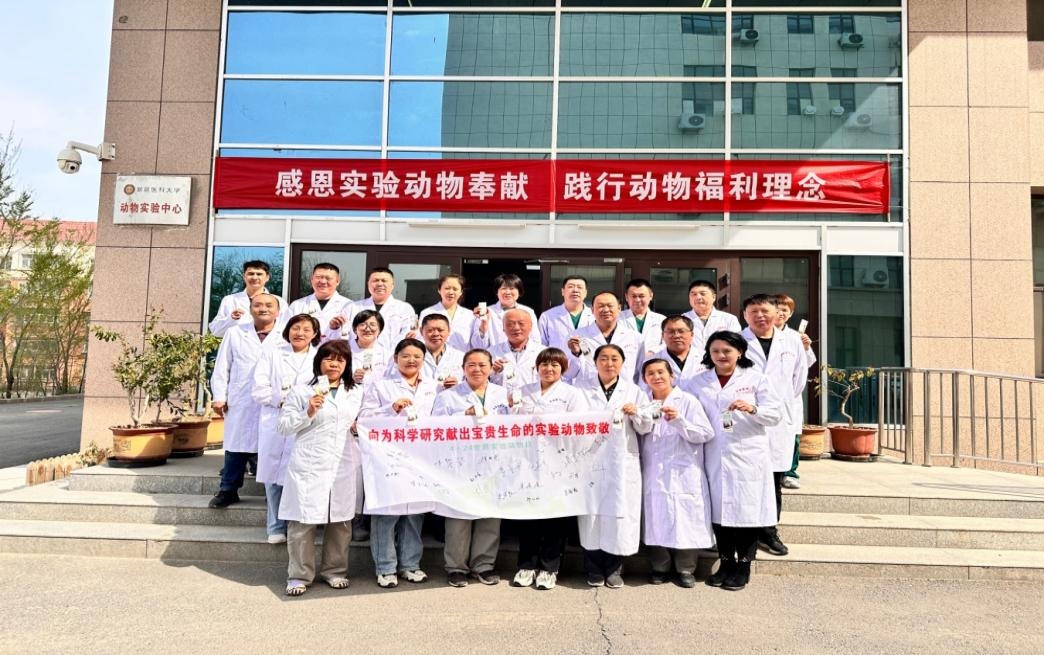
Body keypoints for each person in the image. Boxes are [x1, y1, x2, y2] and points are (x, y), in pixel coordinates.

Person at [690, 331, 783, 591]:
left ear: (739, 352)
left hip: (747, 454)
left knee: (746, 514)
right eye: (715, 351)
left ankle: (743, 566)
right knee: (719, 513)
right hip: (714, 453)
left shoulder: (755, 379)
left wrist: (753, 409)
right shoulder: (698, 382)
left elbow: (776, 414)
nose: (721, 355)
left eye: (727, 351)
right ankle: (726, 563)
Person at [277, 340, 363, 596]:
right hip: (310, 463)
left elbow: (363, 420)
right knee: (302, 521)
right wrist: (308, 411)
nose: (334, 364)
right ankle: (299, 575)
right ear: (319, 362)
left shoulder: (355, 392)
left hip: (343, 462)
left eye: (340, 360)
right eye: (329, 359)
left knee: (341, 521)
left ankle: (335, 571)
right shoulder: (302, 391)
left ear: (347, 365)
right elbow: (283, 427)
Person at [359, 338, 439, 589]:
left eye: (417, 356)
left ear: (424, 360)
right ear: (395, 359)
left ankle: (410, 565)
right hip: (388, 456)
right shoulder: (381, 386)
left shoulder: (433, 387)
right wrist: (390, 409)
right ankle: (385, 568)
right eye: (405, 356)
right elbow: (364, 417)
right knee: (387, 513)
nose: (411, 360)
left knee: (414, 513)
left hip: (421, 456)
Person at [574, 344, 653, 589]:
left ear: (622, 363)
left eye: (615, 359)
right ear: (595, 362)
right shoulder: (581, 389)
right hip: (590, 460)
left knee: (620, 513)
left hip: (622, 461)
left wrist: (636, 413)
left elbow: (646, 427)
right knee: (591, 515)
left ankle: (614, 568)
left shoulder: (634, 391)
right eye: (604, 359)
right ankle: (593, 568)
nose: (609, 364)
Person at [510, 347, 589, 591]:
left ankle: (549, 567)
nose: (549, 369)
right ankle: (526, 565)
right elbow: (510, 422)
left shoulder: (572, 394)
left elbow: (579, 427)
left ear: (563, 369)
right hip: (527, 461)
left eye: (555, 365)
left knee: (555, 517)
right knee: (529, 515)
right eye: (544, 364)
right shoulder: (523, 392)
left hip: (559, 462)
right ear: (537, 368)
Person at [431, 349, 511, 587]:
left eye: (482, 365)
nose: (477, 369)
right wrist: (461, 416)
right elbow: (435, 428)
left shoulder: (502, 394)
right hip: (460, 463)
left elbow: (512, 423)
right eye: (471, 365)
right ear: (463, 368)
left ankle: (483, 565)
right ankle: (456, 567)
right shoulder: (448, 396)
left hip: (493, 462)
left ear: (491, 368)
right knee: (459, 517)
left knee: (489, 516)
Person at [637, 358, 715, 588]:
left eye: (661, 372)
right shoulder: (644, 402)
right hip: (653, 469)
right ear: (644, 379)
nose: (656, 377)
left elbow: (705, 433)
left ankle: (686, 568)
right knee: (655, 516)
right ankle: (659, 566)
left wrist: (679, 421)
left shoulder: (688, 401)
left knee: (685, 518)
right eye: (650, 373)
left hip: (684, 470)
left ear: (672, 375)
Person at [740, 294, 808, 558]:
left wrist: (779, 405)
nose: (760, 316)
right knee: (745, 478)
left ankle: (769, 531)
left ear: (775, 313)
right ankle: (744, 531)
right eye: (754, 311)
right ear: (745, 315)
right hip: (746, 421)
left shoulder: (792, 341)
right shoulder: (736, 340)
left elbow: (798, 380)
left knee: (774, 480)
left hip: (779, 421)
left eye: (765, 311)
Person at [209, 293, 284, 509]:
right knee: (236, 445)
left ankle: (271, 494)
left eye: (269, 305)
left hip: (272, 399)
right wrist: (219, 396)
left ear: (278, 311)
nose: (263, 309)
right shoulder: (235, 333)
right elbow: (222, 366)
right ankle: (228, 489)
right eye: (258, 305)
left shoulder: (285, 335)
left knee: (271, 445)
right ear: (250, 309)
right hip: (241, 397)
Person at [251, 314, 320, 544]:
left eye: (306, 329)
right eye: (295, 328)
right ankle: (275, 526)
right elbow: (259, 389)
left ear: (314, 334)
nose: (300, 333)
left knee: (298, 473)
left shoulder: (319, 357)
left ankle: (296, 524)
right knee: (273, 473)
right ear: (287, 330)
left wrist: (303, 406)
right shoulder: (272, 355)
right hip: (275, 417)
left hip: (307, 419)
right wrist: (281, 400)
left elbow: (323, 387)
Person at [775, 294, 816, 490]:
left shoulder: (795, 337)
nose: (780, 313)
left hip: (790, 397)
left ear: (791, 314)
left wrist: (806, 348)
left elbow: (806, 365)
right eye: (777, 309)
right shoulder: (758, 334)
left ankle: (790, 473)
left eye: (785, 310)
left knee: (792, 436)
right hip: (767, 396)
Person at [565, 292, 643, 383]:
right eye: (600, 306)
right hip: (588, 390)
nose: (606, 310)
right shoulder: (576, 336)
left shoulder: (634, 337)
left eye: (610, 306)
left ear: (619, 308)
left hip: (623, 390)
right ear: (592, 310)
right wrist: (575, 354)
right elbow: (568, 374)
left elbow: (641, 372)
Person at [208, 260, 289, 337]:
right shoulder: (230, 300)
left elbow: (287, 329)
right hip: (239, 345)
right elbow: (216, 331)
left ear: (267, 277)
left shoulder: (279, 301)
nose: (254, 277)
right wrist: (231, 319)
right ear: (244, 276)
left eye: (259, 274)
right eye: (251, 274)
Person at [341, 267, 417, 349]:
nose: (380, 284)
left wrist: (391, 352)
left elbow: (408, 334)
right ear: (368, 284)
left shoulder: (405, 308)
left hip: (393, 355)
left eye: (384, 281)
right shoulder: (352, 307)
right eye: (375, 280)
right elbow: (343, 334)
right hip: (358, 353)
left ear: (392, 285)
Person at [393, 313, 463, 391]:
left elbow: (469, 384)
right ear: (421, 331)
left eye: (440, 330)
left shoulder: (460, 357)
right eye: (430, 330)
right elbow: (395, 378)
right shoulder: (410, 355)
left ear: (449, 331)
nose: (436, 334)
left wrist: (458, 384)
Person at [470, 273, 541, 349]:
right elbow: (478, 346)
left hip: (522, 354)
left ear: (519, 292)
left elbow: (535, 340)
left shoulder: (528, 311)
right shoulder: (486, 311)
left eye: (512, 288)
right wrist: (484, 324)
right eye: (503, 288)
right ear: (497, 292)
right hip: (494, 355)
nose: (508, 292)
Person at [287, 263, 353, 342]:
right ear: (311, 279)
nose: (323, 281)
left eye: (328, 278)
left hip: (335, 349)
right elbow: (285, 333)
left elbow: (353, 337)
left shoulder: (349, 306)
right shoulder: (297, 305)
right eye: (318, 277)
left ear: (337, 281)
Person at [488, 308, 543, 396]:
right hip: (501, 401)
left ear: (531, 326)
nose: (516, 328)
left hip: (533, 400)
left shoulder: (543, 352)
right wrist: (493, 371)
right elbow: (481, 381)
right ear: (503, 328)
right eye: (510, 324)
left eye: (521, 323)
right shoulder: (491, 352)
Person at [642, 315, 705, 390]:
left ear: (692, 334)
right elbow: (645, 390)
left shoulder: (706, 358)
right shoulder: (651, 361)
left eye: (681, 331)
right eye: (671, 332)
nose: (676, 335)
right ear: (662, 335)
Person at [683, 280, 742, 354]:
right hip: (691, 360)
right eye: (694, 294)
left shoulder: (729, 319)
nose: (698, 297)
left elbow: (736, 344)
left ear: (713, 297)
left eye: (703, 294)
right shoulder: (681, 320)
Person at [420, 273, 474, 352]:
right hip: (434, 356)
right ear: (439, 290)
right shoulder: (427, 312)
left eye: (455, 289)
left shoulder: (470, 315)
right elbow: (421, 338)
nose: (451, 292)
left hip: (462, 357)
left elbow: (475, 342)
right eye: (447, 288)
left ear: (461, 292)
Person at [538, 275, 594, 350]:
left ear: (585, 293)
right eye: (570, 287)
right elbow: (540, 346)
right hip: (557, 357)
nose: (575, 290)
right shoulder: (547, 316)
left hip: (588, 358)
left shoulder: (594, 316)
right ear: (563, 291)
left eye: (579, 287)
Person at [347, 309, 391, 390]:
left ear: (380, 330)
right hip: (350, 394)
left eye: (372, 325)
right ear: (355, 329)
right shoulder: (344, 350)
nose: (367, 329)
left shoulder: (387, 355)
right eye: (362, 324)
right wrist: (351, 378)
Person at [621, 278, 666, 356]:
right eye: (633, 296)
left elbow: (667, 343)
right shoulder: (617, 318)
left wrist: (652, 352)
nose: (637, 300)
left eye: (641, 296)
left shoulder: (661, 320)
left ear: (651, 296)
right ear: (626, 297)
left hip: (653, 359)